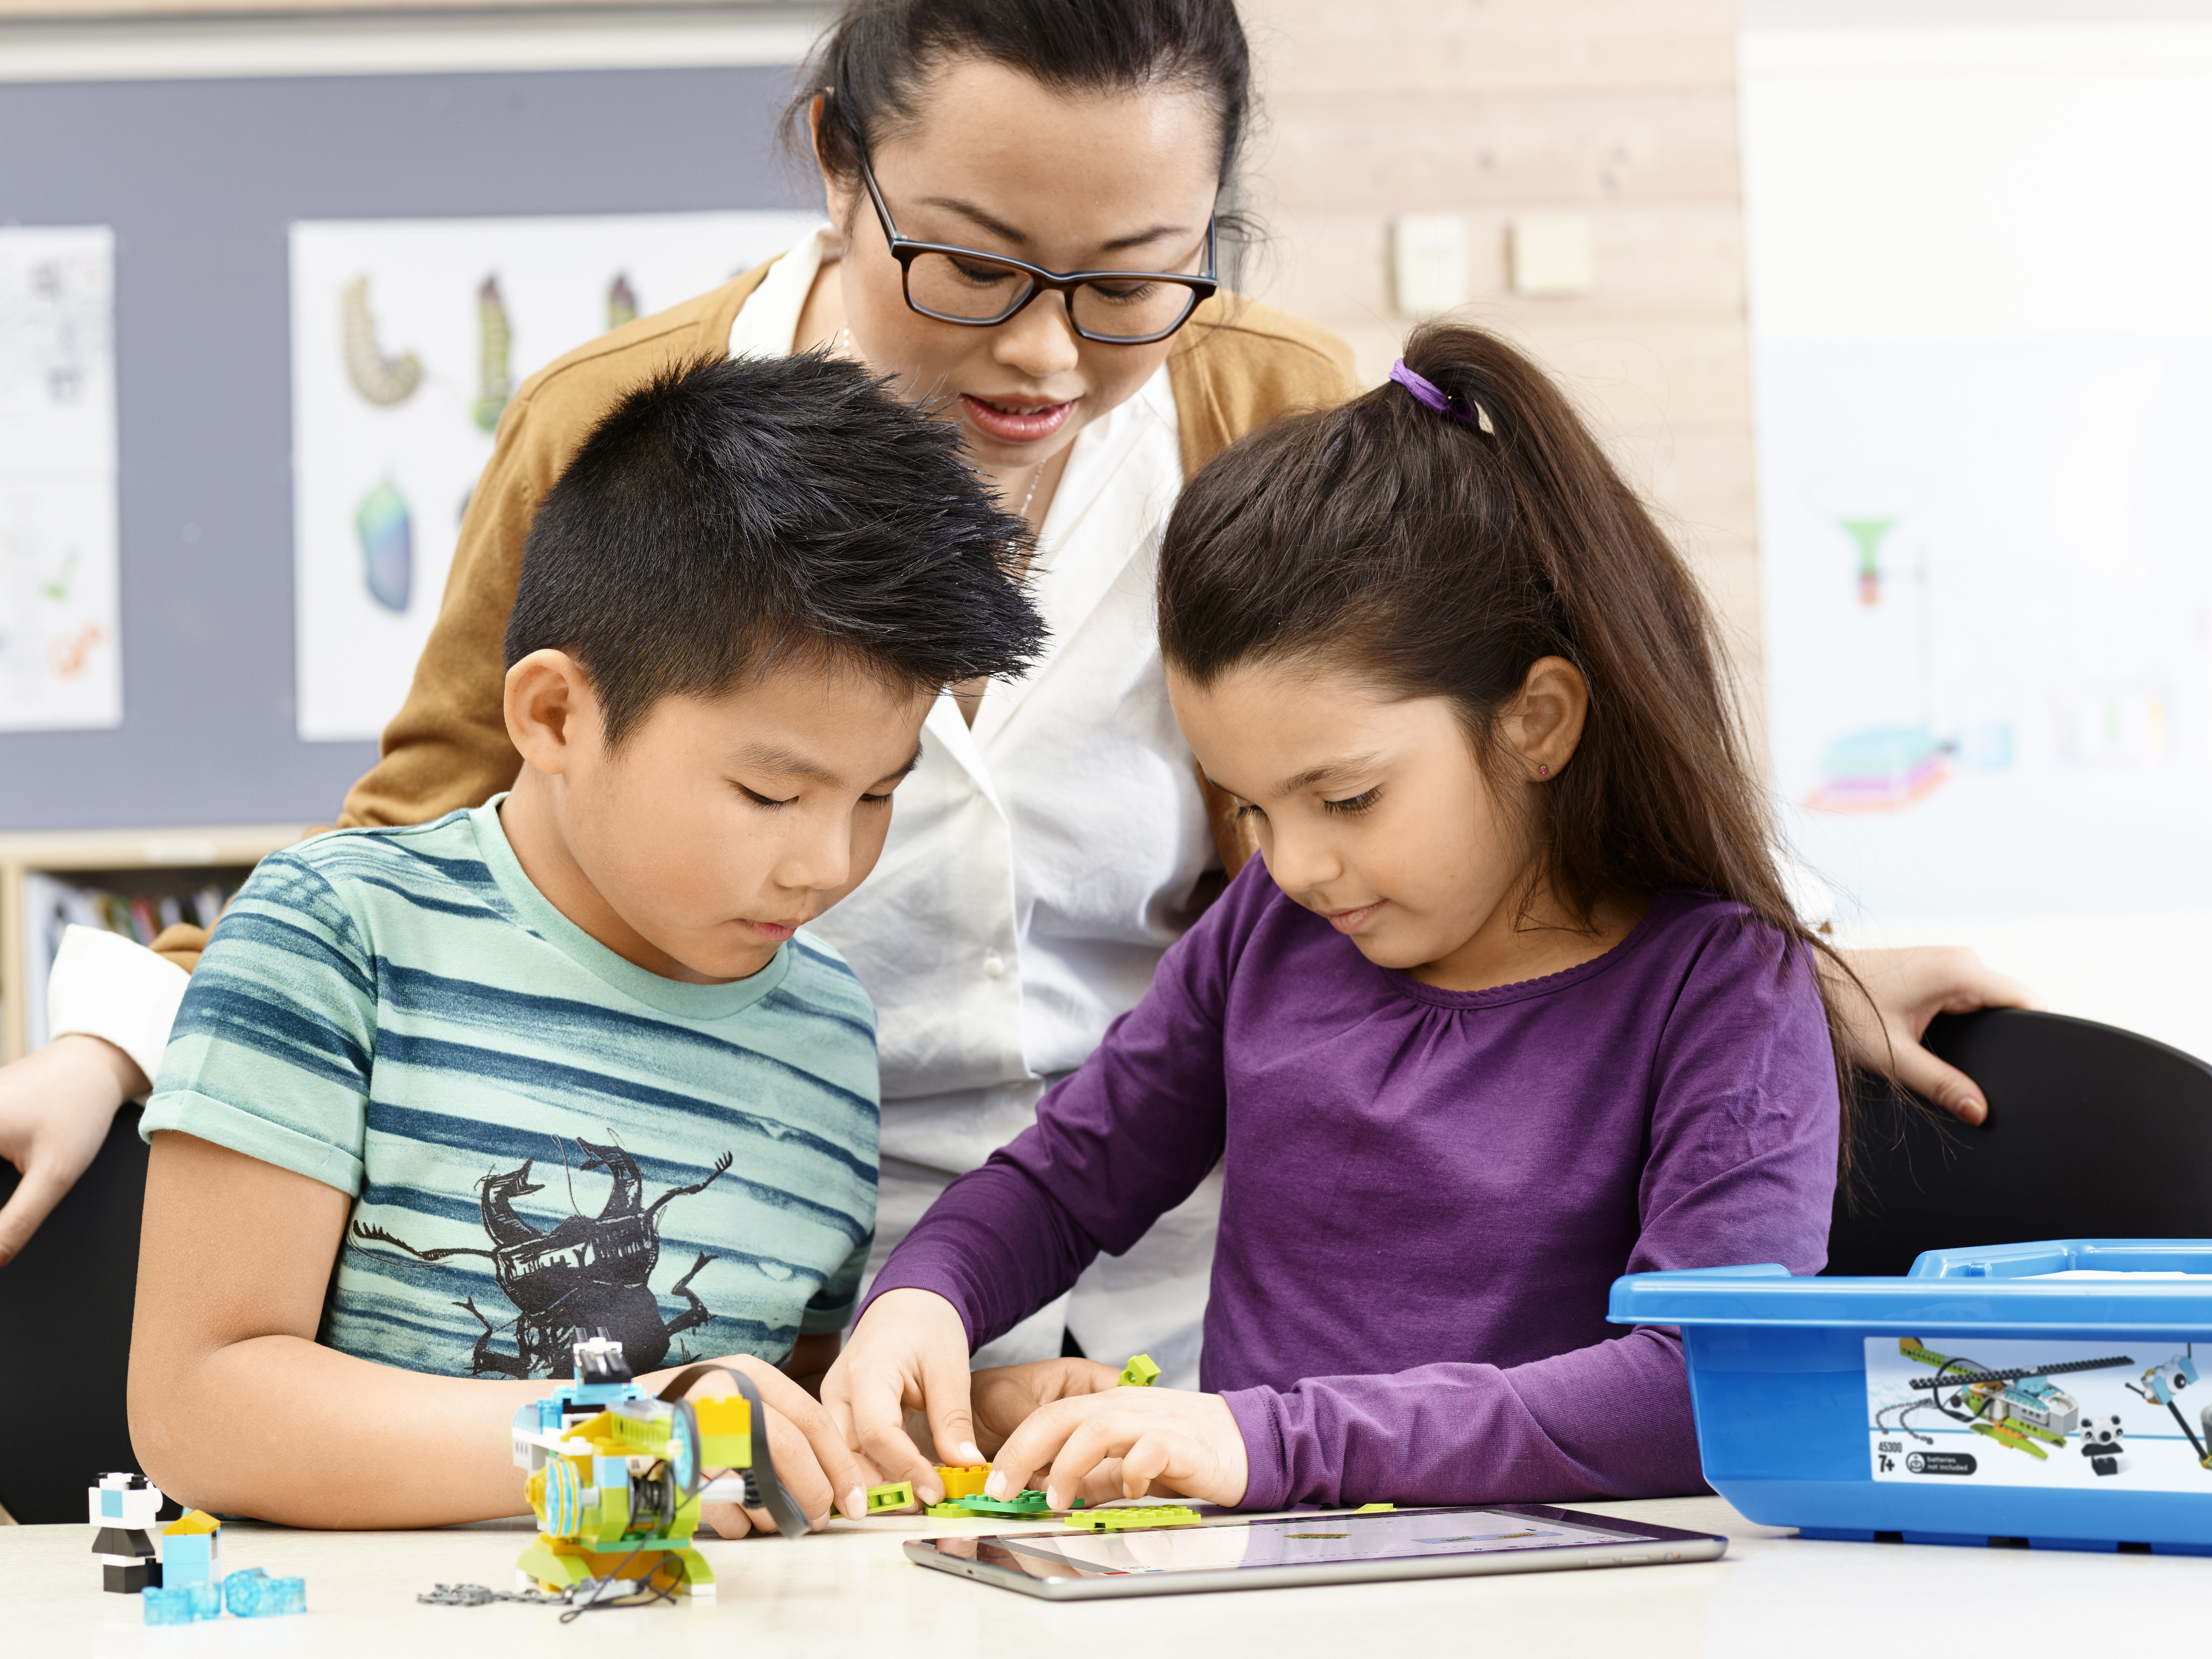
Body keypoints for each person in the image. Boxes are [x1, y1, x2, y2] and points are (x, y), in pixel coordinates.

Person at [1, 0, 2027, 1422]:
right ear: (838, 165)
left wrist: (1770, 946)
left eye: (1134, 277)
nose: (1048, 356)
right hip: (778, 1288)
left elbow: (1474, 734)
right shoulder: (623, 435)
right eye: (969, 266)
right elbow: (433, 836)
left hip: (1212, 1308)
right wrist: (124, 1028)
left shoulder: (1270, 406)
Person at [824, 324, 1853, 1511]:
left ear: (1540, 721)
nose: (1297, 863)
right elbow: (1062, 1184)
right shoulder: (1274, 925)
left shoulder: (1719, 992)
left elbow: (1699, 1388)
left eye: (1348, 796)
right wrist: (929, 1293)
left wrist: (1275, 1444)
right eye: (1251, 806)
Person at [126, 353, 1043, 1530]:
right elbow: (198, 1405)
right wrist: (620, 1438)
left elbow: (757, 1413)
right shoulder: (340, 934)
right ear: (555, 714)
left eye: (877, 796)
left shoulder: (826, 1030)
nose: (827, 862)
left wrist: (921, 1421)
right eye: (771, 794)